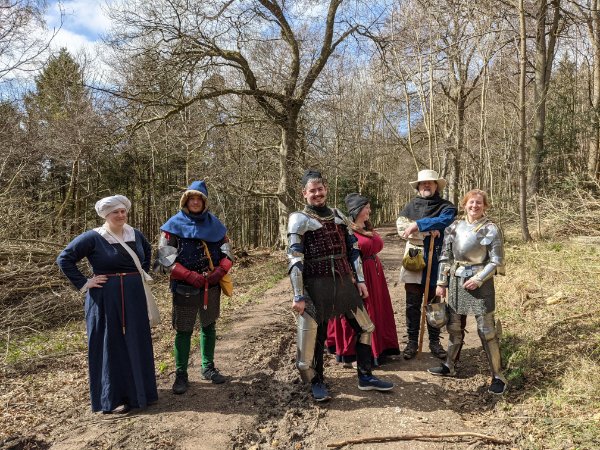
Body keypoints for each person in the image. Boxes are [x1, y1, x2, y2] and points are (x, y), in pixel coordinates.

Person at [287, 170, 394, 402]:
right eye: (312, 190)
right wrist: (298, 295)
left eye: (320, 189)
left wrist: (361, 281)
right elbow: (295, 259)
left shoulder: (337, 216)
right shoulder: (299, 219)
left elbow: (353, 249)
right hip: (316, 285)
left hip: (344, 282)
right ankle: (317, 381)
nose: (317, 194)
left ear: (326, 189)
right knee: (317, 336)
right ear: (304, 193)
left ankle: (365, 376)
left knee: (365, 328)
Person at [57, 195, 158, 414]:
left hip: (134, 296)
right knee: (110, 343)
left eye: (123, 211)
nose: (121, 215)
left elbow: (147, 253)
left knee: (136, 340)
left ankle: (142, 393)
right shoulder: (94, 237)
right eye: (116, 212)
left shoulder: (135, 234)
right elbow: (64, 259)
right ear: (106, 215)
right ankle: (114, 397)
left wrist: (140, 274)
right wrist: (85, 282)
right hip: (105, 298)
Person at [156, 180, 233, 395]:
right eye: (192, 198)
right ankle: (181, 373)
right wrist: (188, 275)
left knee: (209, 326)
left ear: (205, 202)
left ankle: (207, 367)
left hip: (212, 285)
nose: (196, 202)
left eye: (199, 198)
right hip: (184, 286)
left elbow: (228, 253)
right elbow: (165, 259)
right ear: (186, 201)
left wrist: (219, 271)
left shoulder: (216, 225)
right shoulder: (172, 226)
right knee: (184, 330)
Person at [427, 189, 507, 395]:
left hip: (481, 283)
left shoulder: (491, 229)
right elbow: (445, 256)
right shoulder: (454, 226)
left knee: (486, 331)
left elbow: (497, 261)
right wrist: (441, 282)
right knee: (454, 327)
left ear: (485, 206)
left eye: (479, 203)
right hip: (455, 280)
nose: (475, 206)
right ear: (465, 205)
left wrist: (479, 278)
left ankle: (498, 376)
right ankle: (449, 365)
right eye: (471, 202)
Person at [327, 193, 400, 367]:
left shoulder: (366, 227)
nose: (369, 210)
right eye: (366, 207)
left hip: (375, 275)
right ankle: (353, 354)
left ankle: (380, 348)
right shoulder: (347, 229)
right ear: (357, 210)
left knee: (377, 310)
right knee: (360, 314)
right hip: (359, 275)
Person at [396, 169, 457, 360]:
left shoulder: (446, 206)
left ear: (436, 185)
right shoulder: (410, 206)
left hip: (437, 258)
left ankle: (434, 342)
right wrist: (427, 231)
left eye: (430, 183)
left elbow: (446, 220)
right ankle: (412, 342)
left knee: (434, 303)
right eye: (423, 183)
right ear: (419, 187)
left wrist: (418, 225)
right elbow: (402, 228)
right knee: (412, 304)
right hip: (413, 258)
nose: (427, 186)